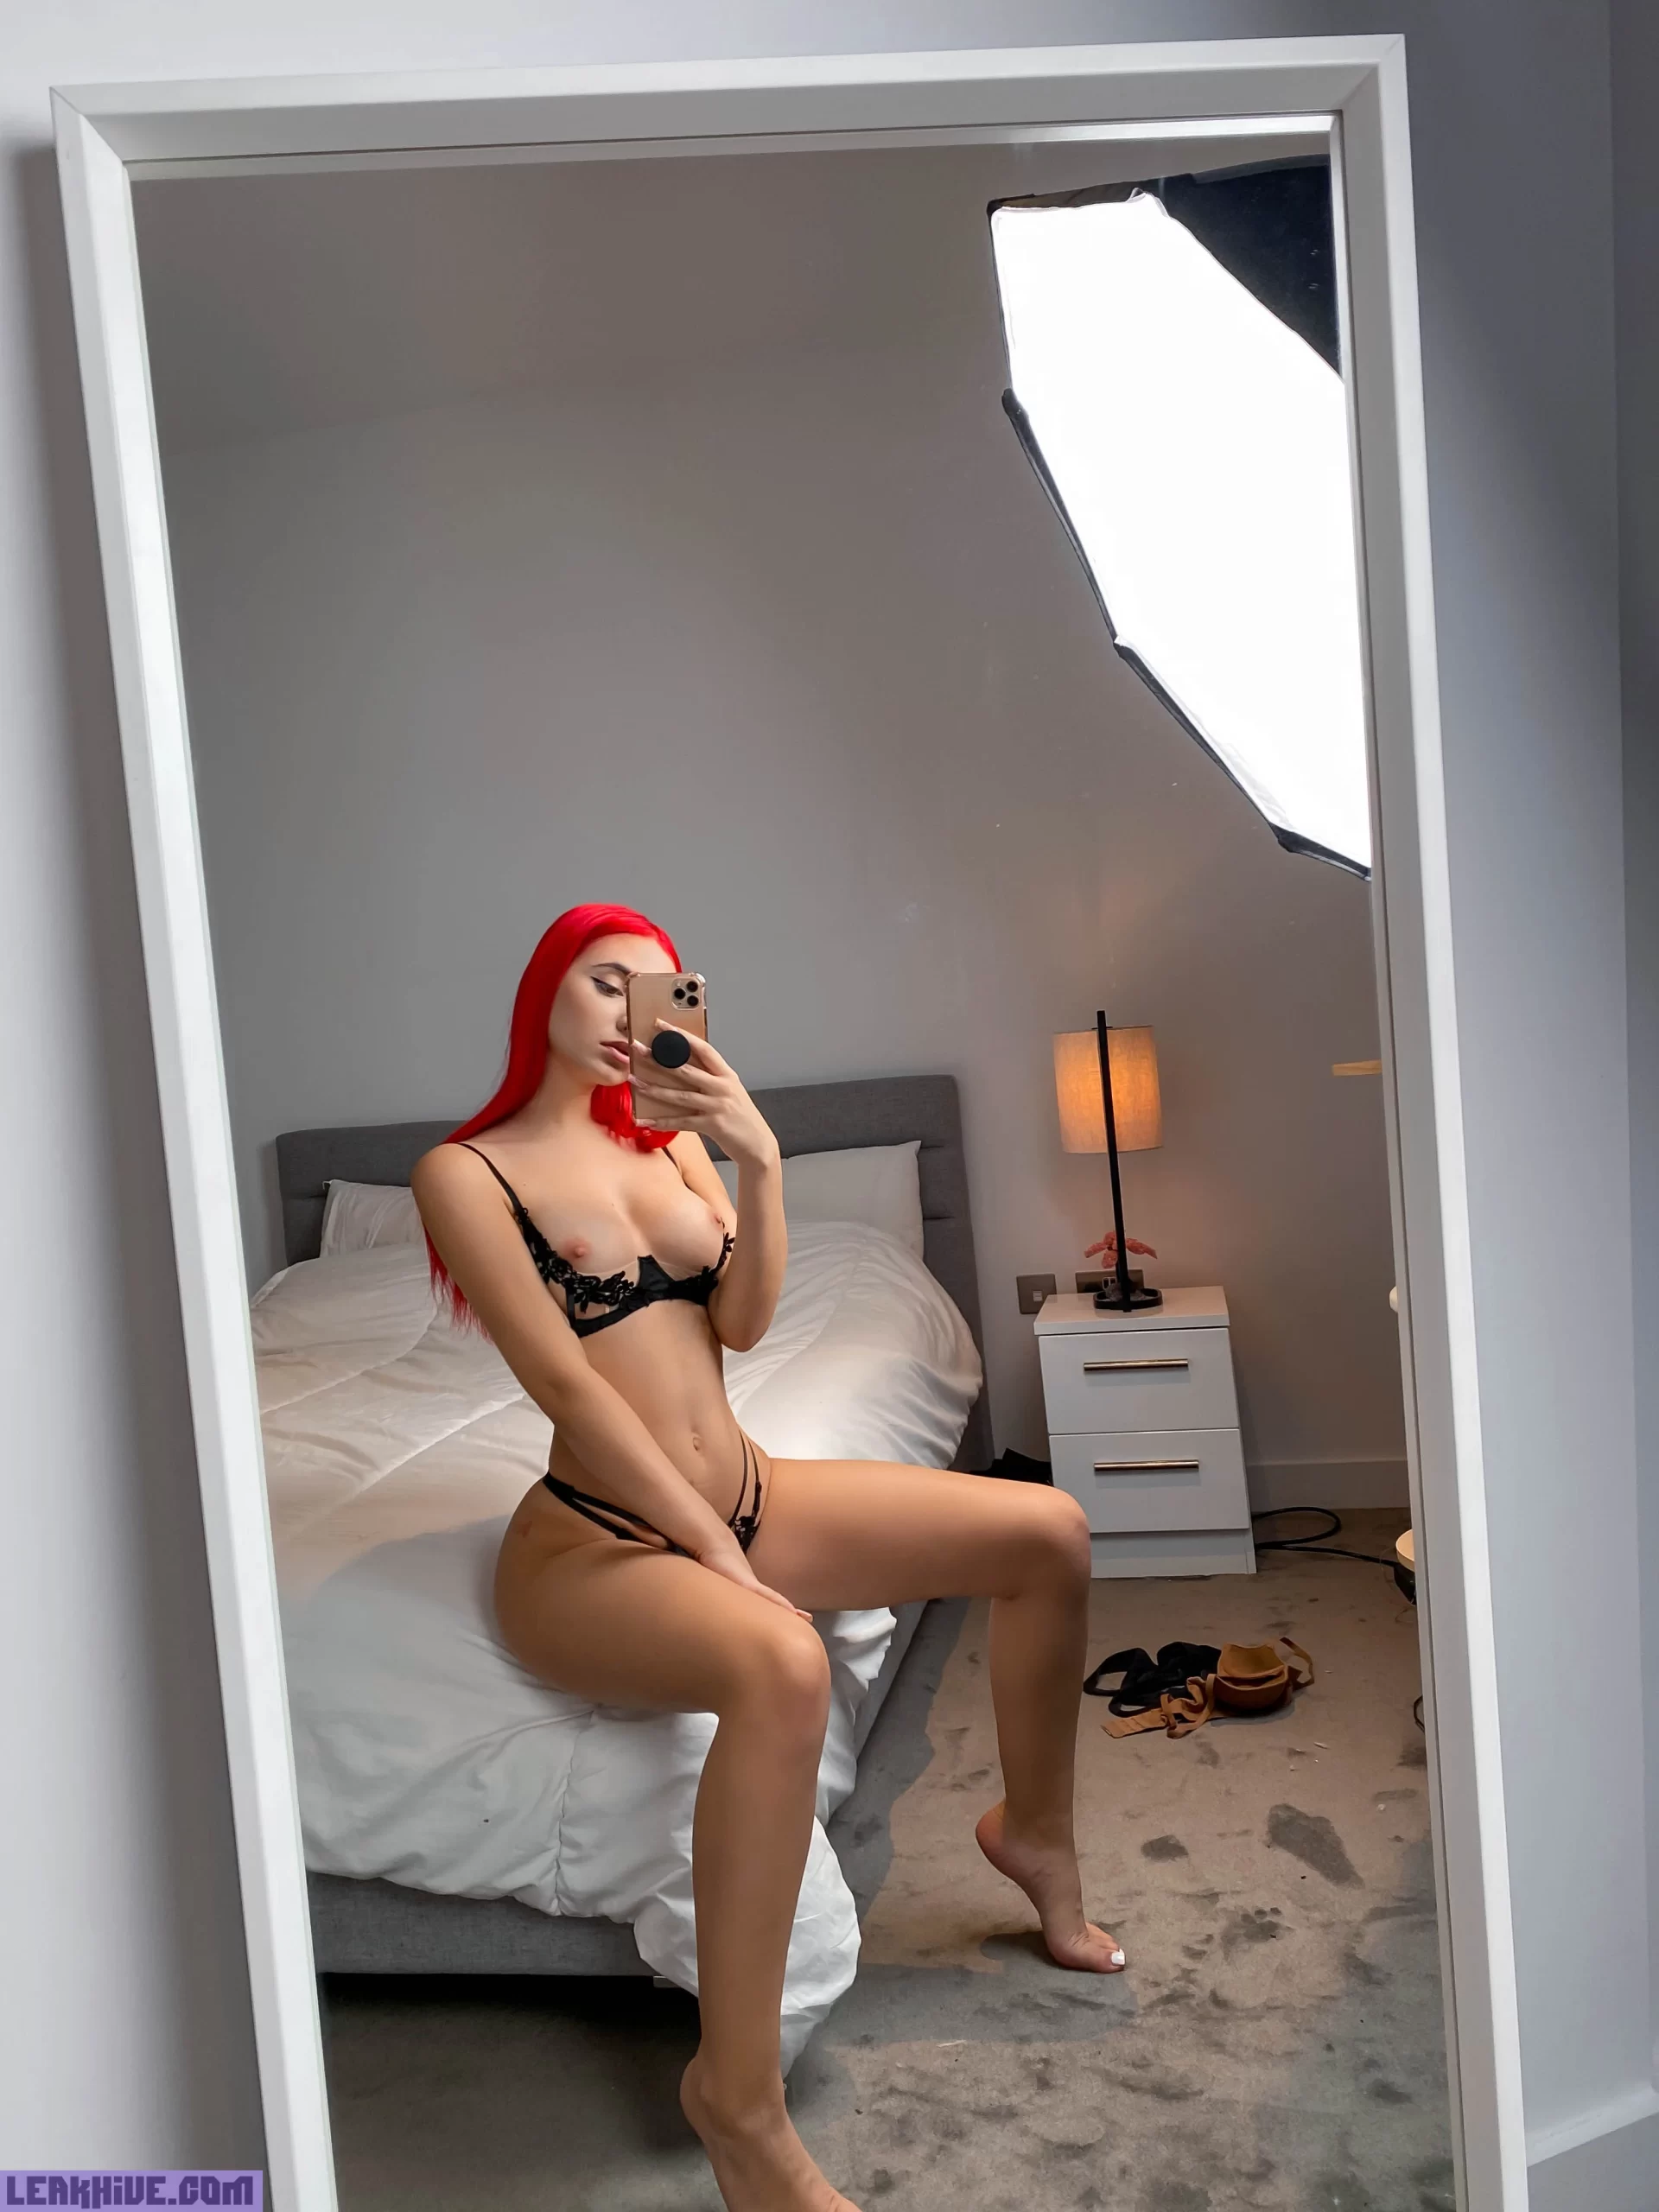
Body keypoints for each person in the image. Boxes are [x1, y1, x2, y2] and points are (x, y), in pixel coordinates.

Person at [413, 903, 1123, 2212]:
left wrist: (761, 1165)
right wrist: (714, 1558)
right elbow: (570, 1391)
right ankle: (736, 2104)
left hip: (748, 1494)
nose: (628, 1014)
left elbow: (741, 1323)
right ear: (544, 992)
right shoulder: (468, 1172)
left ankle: (1034, 1838)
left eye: (653, 990)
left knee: (1047, 1532)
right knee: (782, 1662)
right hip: (595, 1546)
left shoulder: (673, 1143)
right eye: (602, 982)